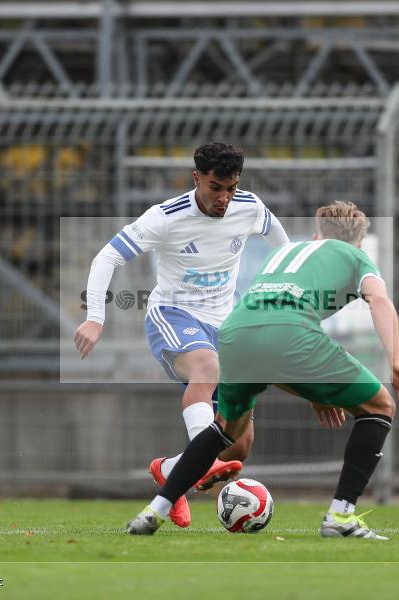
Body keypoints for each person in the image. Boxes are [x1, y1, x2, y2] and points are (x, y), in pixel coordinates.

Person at [126, 200, 399, 538]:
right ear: (356, 242)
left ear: (315, 236)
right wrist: (396, 361)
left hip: (236, 332)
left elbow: (272, 330)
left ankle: (153, 511)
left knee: (225, 428)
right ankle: (341, 517)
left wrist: (314, 389)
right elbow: (380, 301)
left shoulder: (286, 254)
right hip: (290, 333)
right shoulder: (355, 256)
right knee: (380, 406)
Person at [73, 142, 290, 528]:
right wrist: (94, 317)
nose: (224, 198)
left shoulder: (250, 207)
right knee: (205, 367)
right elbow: (107, 256)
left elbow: (283, 244)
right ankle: (203, 468)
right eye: (215, 187)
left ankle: (171, 468)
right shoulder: (165, 217)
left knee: (240, 443)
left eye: (231, 188)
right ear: (197, 179)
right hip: (172, 314)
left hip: (227, 324)